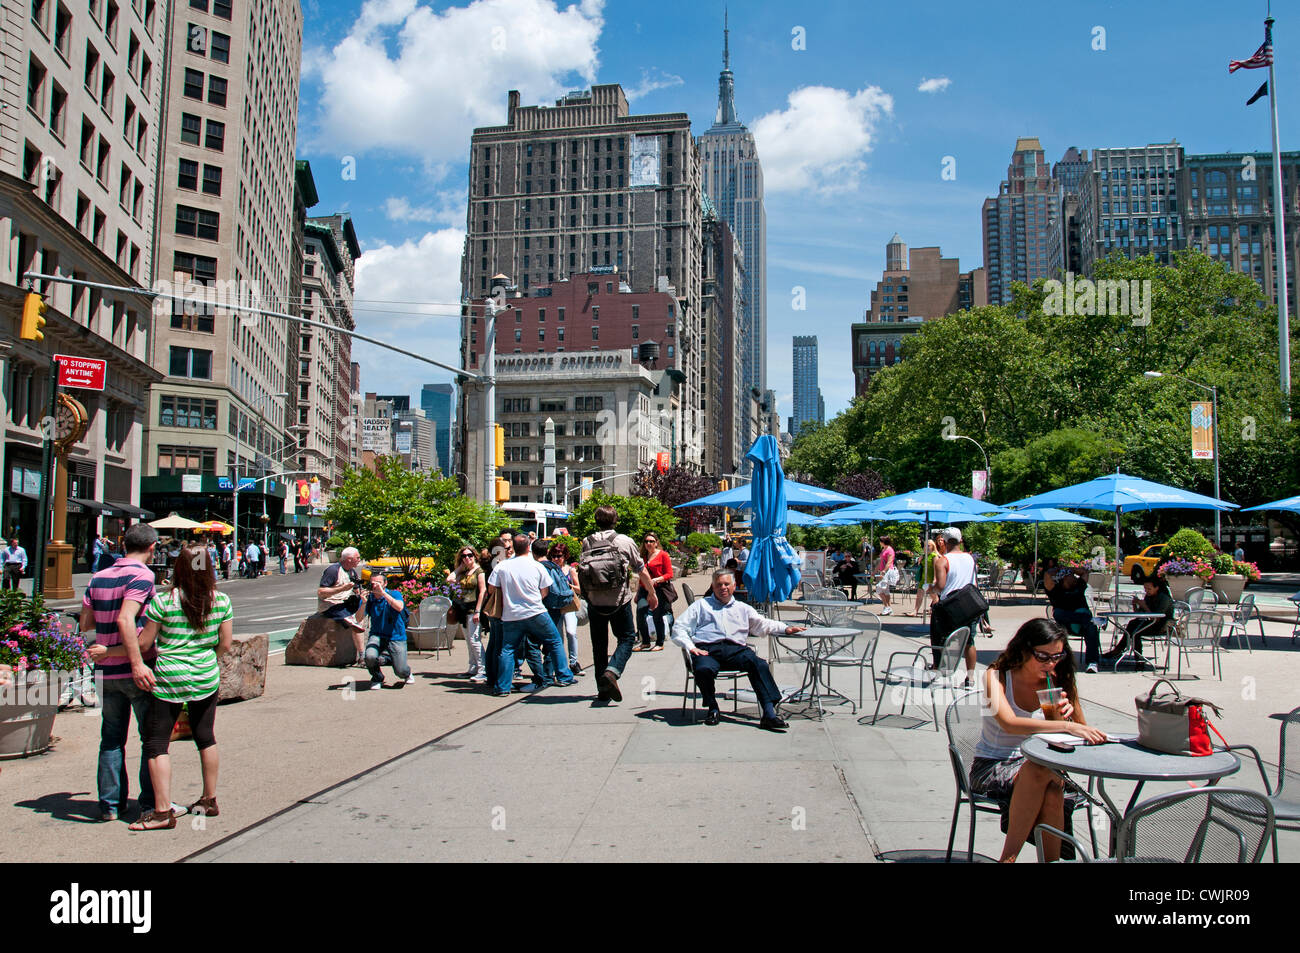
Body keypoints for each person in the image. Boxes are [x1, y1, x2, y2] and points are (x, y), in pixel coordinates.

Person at [112, 544, 233, 830]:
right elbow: (225, 644)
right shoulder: (221, 600)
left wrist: (113, 652)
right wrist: (207, 659)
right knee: (205, 736)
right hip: (205, 675)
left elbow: (143, 644)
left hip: (169, 678)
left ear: (179, 568)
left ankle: (162, 811)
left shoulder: (164, 602)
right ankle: (209, 799)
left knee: (157, 743)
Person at [973, 618, 1106, 862]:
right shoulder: (997, 676)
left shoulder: (1058, 679)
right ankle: (1009, 858)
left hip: (1043, 766)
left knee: (1052, 785)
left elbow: (1083, 733)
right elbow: (1009, 723)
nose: (1051, 663)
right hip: (993, 764)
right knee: (1044, 773)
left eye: (1057, 656)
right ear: (1024, 649)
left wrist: (1071, 716)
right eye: (1043, 656)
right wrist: (1064, 725)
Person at [81, 523, 160, 823]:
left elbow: (86, 622)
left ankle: (109, 805)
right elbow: (127, 619)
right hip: (134, 668)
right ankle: (149, 802)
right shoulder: (142, 576)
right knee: (149, 737)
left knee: (111, 738)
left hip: (105, 670)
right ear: (152, 548)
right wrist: (138, 662)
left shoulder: (99, 577)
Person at [671, 568, 804, 731]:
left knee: (759, 664)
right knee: (703, 668)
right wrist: (691, 647)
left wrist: (785, 628)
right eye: (719, 584)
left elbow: (762, 624)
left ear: (734, 586)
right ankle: (712, 707)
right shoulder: (701, 605)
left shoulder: (743, 608)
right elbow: (679, 627)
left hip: (736, 650)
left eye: (727, 584)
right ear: (713, 586)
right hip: (708, 650)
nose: (723, 588)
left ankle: (769, 714)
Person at [578, 506, 657, 702]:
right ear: (615, 521)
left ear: (596, 521)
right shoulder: (623, 541)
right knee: (628, 638)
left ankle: (602, 690)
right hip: (619, 601)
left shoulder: (587, 541)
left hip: (595, 601)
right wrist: (651, 593)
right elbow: (641, 569)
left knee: (599, 645)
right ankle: (612, 672)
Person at [486, 535, 572, 697]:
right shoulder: (537, 566)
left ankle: (503, 686)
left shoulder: (503, 566)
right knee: (554, 641)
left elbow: (491, 589)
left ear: (513, 548)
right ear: (528, 548)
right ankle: (563, 675)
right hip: (535, 611)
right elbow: (546, 589)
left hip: (511, 614)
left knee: (508, 649)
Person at [929, 527, 980, 685]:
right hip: (970, 604)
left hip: (950, 605)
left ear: (944, 541)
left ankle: (939, 669)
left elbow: (941, 587)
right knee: (969, 641)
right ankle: (970, 677)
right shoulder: (970, 558)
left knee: (939, 637)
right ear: (960, 541)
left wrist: (929, 589)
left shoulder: (943, 560)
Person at [1102, 576, 1174, 666]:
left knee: (1136, 632)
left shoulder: (1164, 599)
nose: (1147, 591)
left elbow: (1156, 618)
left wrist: (1144, 606)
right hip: (1152, 623)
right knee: (1133, 624)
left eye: (1149, 589)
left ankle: (1135, 658)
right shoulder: (1148, 597)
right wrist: (1135, 605)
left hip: (1162, 626)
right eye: (1145, 589)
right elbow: (1139, 615)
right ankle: (1122, 651)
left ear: (1157, 588)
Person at [1043, 565, 1101, 673]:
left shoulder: (1078, 586)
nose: (1074, 577)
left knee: (1091, 627)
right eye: (1071, 576)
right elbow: (1047, 575)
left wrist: (1072, 569)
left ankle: (1092, 662)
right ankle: (1085, 618)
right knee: (1059, 613)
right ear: (1064, 578)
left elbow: (1085, 573)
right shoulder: (1055, 590)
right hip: (1065, 625)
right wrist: (1058, 569)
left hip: (1082, 625)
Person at [317, 547, 368, 667]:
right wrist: (342, 588)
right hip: (331, 605)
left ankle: (362, 654)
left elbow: (355, 589)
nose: (359, 560)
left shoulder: (352, 572)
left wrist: (361, 594)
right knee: (354, 621)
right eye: (357, 558)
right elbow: (321, 592)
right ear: (349, 559)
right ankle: (361, 655)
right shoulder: (333, 570)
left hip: (346, 603)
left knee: (361, 612)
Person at [363, 571, 413, 690]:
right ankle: (377, 678)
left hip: (395, 636)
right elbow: (359, 618)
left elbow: (399, 607)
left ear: (385, 583)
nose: (375, 585)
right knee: (369, 656)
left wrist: (383, 593)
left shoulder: (394, 594)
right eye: (372, 583)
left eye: (378, 583)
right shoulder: (370, 598)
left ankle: (406, 672)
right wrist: (362, 603)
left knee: (400, 671)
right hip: (377, 635)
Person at [448, 545, 488, 683]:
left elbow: (483, 591)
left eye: (470, 555)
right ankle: (473, 667)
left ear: (474, 556)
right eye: (464, 556)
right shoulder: (464, 572)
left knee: (474, 640)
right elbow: (450, 579)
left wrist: (478, 610)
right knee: (468, 640)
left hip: (473, 609)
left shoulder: (479, 572)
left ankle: (483, 669)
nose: (467, 558)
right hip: (462, 609)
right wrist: (460, 566)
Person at [545, 541, 584, 676]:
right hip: (554, 606)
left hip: (568, 605)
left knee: (571, 632)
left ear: (565, 556)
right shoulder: (549, 569)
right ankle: (559, 665)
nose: (556, 559)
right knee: (557, 637)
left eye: (559, 556)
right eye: (554, 556)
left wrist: (569, 586)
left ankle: (573, 662)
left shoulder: (570, 570)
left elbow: (579, 589)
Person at [635, 531, 674, 651]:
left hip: (658, 589)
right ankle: (645, 641)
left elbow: (669, 574)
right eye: (646, 541)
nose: (648, 543)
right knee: (640, 613)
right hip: (644, 589)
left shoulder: (663, 555)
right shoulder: (642, 556)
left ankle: (659, 642)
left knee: (657, 615)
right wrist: (637, 592)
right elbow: (642, 576)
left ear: (656, 543)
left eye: (651, 541)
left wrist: (657, 579)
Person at [907, 539, 938, 616]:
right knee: (919, 595)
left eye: (928, 546)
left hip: (930, 578)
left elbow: (935, 568)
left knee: (933, 595)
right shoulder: (924, 556)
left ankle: (936, 610)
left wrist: (935, 578)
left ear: (932, 547)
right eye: (925, 546)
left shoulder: (934, 556)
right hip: (923, 578)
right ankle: (915, 611)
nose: (926, 547)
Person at [874, 535, 898, 615]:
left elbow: (889, 562)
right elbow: (880, 562)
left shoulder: (889, 550)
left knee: (879, 589)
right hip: (883, 571)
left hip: (887, 572)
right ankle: (888, 608)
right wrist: (874, 571)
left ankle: (886, 607)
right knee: (886, 590)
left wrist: (884, 570)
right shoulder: (884, 549)